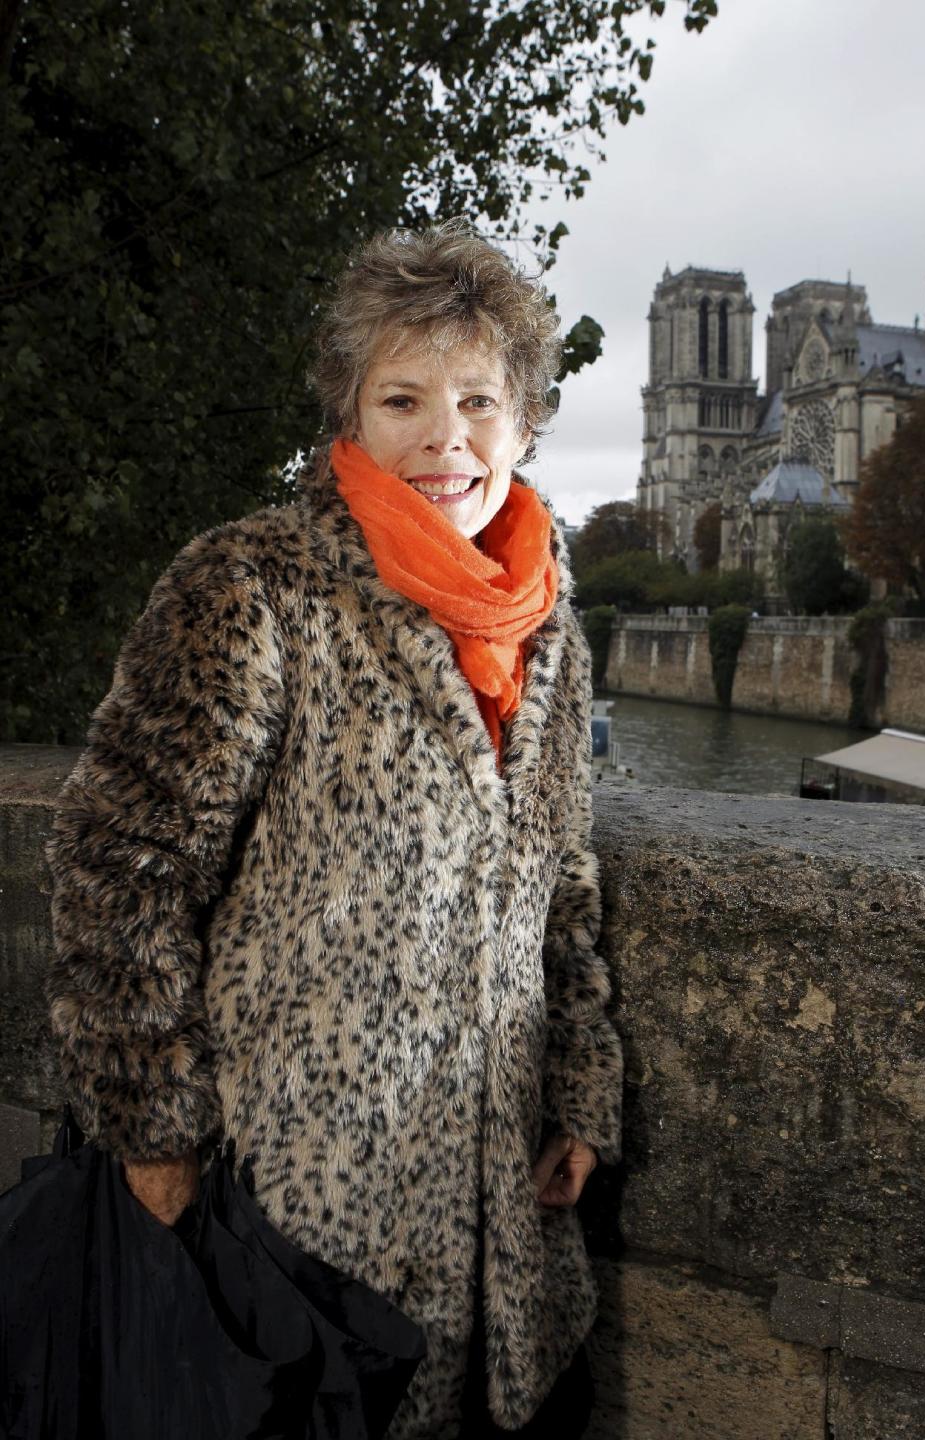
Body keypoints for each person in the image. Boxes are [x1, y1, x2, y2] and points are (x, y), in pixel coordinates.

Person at [44, 220, 624, 1439]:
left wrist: (579, 1088)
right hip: (293, 1207)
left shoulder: (548, 621)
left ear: (523, 422)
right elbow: (121, 865)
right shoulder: (254, 586)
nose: (445, 439)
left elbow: (559, 877)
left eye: (478, 399)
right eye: (403, 397)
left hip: (499, 1206)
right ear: (350, 415)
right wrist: (155, 1137)